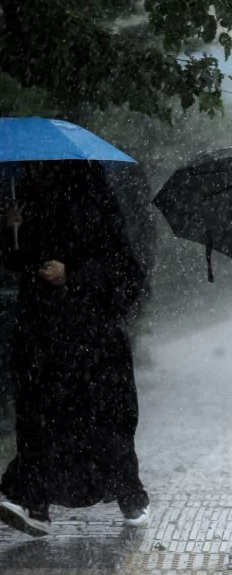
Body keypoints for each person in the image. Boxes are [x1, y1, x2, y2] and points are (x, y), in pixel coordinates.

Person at [0, 161, 150, 536]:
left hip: (92, 343)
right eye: (32, 166)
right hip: (41, 337)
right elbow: (16, 263)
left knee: (102, 425)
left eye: (43, 166)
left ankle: (130, 495)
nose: (36, 171)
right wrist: (11, 232)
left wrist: (73, 274)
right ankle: (31, 501)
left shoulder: (93, 204)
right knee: (38, 422)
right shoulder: (27, 200)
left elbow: (124, 271)